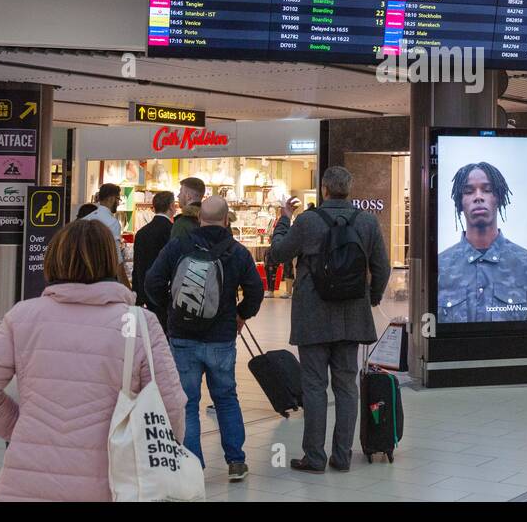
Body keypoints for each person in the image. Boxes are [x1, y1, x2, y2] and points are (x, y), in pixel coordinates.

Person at [0, 220, 184, 501]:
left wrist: (21, 427)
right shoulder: (140, 324)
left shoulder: (23, 316)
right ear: (111, 262)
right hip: (113, 481)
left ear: (53, 259)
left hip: (26, 480)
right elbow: (170, 406)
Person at [265, 165, 390, 473]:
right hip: (352, 316)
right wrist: (372, 295)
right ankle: (343, 456)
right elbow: (382, 268)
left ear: (324, 189)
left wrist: (283, 219)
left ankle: (315, 457)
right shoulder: (367, 222)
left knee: (314, 387)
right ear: (349, 189)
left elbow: (278, 254)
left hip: (313, 317)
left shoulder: (307, 221)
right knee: (346, 386)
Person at [145, 195, 262, 481]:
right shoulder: (237, 251)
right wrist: (240, 314)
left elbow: (152, 282)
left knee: (187, 402)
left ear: (199, 218)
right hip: (222, 337)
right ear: (226, 220)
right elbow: (256, 290)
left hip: (183, 337)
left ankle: (192, 466)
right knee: (226, 397)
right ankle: (236, 462)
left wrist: (170, 309)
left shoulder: (179, 246)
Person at [436, 161, 527, 323]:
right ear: (460, 202)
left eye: (487, 190)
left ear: (499, 198)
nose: (478, 197)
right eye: (468, 191)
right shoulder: (440, 267)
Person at [132, 191, 176, 325]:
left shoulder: (141, 233)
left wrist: (138, 295)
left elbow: (137, 265)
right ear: (171, 206)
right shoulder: (173, 232)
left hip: (145, 292)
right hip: (166, 294)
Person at [84, 183, 123, 260]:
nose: (118, 203)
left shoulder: (86, 219)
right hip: (102, 266)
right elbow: (116, 255)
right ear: (111, 199)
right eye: (118, 199)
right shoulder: (113, 223)